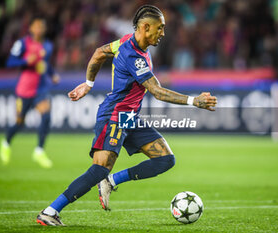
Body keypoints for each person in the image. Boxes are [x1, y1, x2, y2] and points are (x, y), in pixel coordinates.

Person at [36, 5, 217, 226]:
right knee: (99, 168)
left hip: (128, 118)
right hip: (114, 116)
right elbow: (157, 91)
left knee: (166, 159)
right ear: (146, 27)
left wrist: (88, 84)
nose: (163, 33)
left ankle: (111, 182)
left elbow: (100, 53)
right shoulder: (133, 55)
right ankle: (50, 211)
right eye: (160, 28)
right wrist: (193, 101)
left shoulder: (126, 42)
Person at [0, 18, 60, 168]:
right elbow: (10, 62)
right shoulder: (22, 43)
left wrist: (52, 73)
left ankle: (39, 151)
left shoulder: (48, 45)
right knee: (20, 123)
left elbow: (45, 63)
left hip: (41, 89)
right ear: (31, 28)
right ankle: (6, 143)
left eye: (42, 26)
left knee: (46, 117)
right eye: (37, 26)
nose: (39, 29)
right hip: (24, 90)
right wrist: (26, 61)